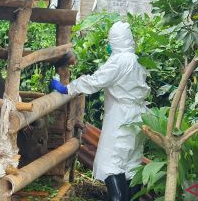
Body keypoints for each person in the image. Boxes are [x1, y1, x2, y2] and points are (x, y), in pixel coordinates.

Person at [50, 21, 150, 201]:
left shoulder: (119, 61)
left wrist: (68, 88)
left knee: (111, 163)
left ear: (115, 41)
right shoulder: (136, 60)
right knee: (131, 165)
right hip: (138, 116)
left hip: (121, 118)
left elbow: (96, 81)